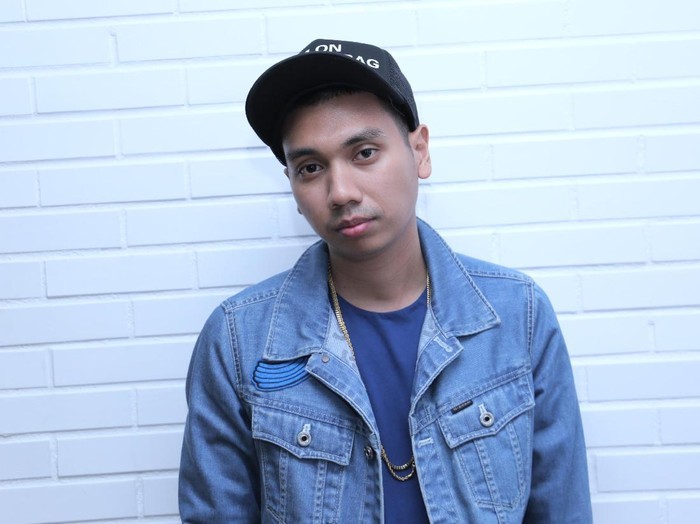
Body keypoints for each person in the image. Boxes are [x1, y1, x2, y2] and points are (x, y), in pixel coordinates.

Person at [178, 39, 592, 523]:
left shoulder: (517, 315)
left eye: (365, 153)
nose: (340, 192)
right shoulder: (238, 340)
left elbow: (562, 509)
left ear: (420, 151)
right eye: (310, 168)